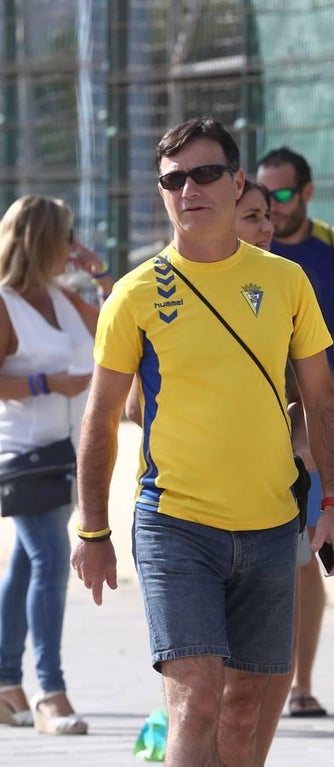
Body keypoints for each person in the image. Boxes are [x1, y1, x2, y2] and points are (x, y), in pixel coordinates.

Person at [70, 117, 334, 767]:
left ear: (236, 180)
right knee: (196, 700)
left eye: (204, 174)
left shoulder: (286, 281)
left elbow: (321, 399)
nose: (189, 189)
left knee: (245, 705)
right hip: (175, 524)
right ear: (161, 192)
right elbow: (101, 416)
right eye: (174, 180)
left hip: (272, 525)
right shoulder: (135, 294)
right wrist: (92, 529)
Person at [256, 146, 334, 718]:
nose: (272, 209)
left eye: (282, 195)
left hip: (309, 421)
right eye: (262, 197)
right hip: (252, 421)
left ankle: (299, 685)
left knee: (306, 559)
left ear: (307, 193)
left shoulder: (329, 245)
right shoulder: (245, 245)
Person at [0, 196, 107, 735]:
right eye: (66, 236)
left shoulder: (62, 296)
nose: (72, 246)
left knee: (25, 563)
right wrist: (48, 383)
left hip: (66, 451)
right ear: (44, 240)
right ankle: (50, 692)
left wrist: (100, 274)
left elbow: (117, 326)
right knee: (50, 560)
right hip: (21, 455)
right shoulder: (5, 302)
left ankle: (4, 685)